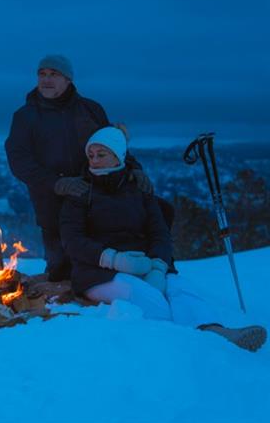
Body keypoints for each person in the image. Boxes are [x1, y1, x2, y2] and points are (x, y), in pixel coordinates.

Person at [60, 126, 267, 351]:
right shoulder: (80, 193)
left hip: (146, 264)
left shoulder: (139, 190)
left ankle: (216, 331)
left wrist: (159, 266)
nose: (95, 161)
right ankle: (188, 347)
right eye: (91, 155)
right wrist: (114, 259)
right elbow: (72, 241)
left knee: (180, 288)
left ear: (118, 156)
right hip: (97, 273)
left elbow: (159, 232)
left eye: (102, 155)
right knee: (149, 299)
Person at [5, 54, 153, 282]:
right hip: (51, 204)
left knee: (97, 265)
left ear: (68, 79)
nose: (46, 79)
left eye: (54, 74)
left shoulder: (90, 110)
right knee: (61, 271)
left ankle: (115, 312)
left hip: (95, 199)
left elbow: (112, 143)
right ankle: (67, 318)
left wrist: (134, 168)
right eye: (42, 74)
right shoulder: (26, 117)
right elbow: (19, 161)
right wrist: (57, 183)